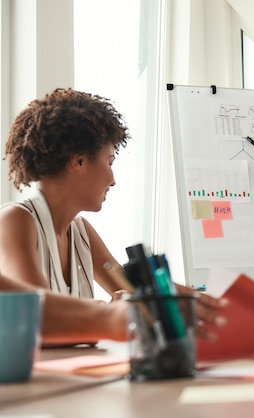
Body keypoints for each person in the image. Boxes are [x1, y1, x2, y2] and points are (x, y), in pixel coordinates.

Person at [0, 88, 227, 343]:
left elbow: (133, 288)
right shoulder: (14, 221)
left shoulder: (81, 230)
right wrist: (114, 310)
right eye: (109, 162)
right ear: (78, 161)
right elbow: (30, 320)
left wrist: (188, 299)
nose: (113, 179)